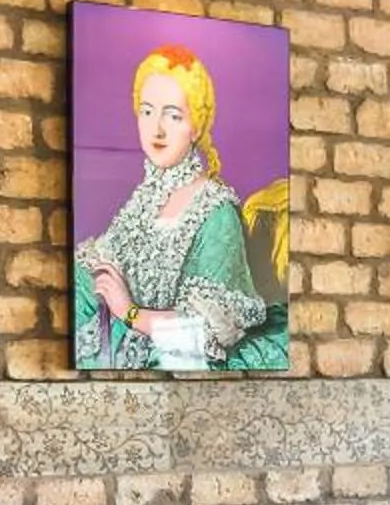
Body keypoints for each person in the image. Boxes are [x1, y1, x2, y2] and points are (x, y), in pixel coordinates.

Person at [73, 43, 282, 371]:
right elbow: (105, 260)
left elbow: (201, 335)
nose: (156, 129)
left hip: (171, 360)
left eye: (173, 115)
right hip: (120, 334)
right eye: (147, 111)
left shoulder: (216, 212)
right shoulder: (148, 194)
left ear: (196, 126)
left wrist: (130, 312)